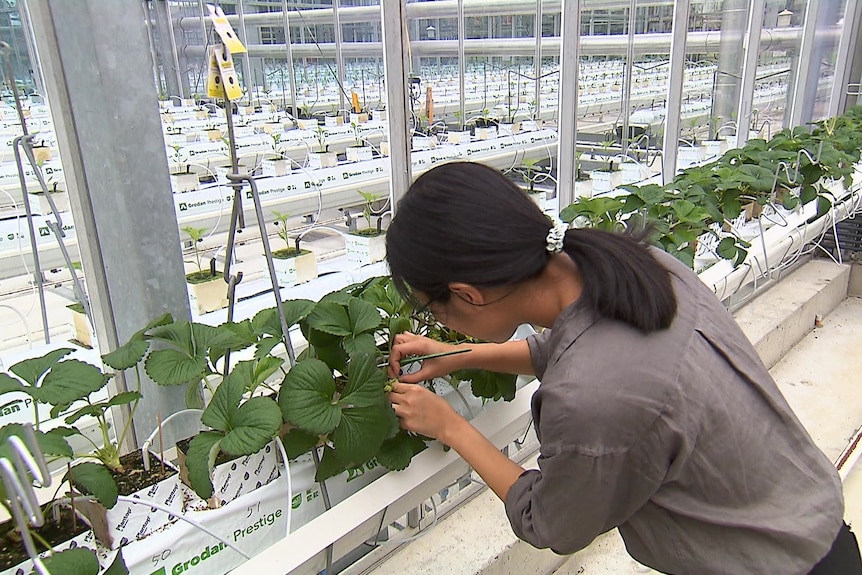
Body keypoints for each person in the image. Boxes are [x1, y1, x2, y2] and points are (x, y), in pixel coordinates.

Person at [384, 161, 861, 574]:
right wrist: (454, 354)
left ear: (468, 293)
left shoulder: (588, 399)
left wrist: (450, 426)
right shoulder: (635, 266)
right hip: (809, 526)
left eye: (436, 308)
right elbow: (567, 347)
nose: (441, 320)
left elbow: (549, 520)